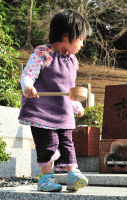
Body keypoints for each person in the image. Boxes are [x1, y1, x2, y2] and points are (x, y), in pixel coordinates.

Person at [18, 9, 92, 192]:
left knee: (68, 143)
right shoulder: (43, 53)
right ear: (67, 36)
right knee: (48, 144)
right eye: (81, 38)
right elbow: (28, 74)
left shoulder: (73, 61)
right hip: (42, 112)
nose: (83, 44)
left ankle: (73, 174)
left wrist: (75, 105)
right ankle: (45, 178)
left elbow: (68, 90)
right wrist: (28, 86)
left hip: (62, 112)